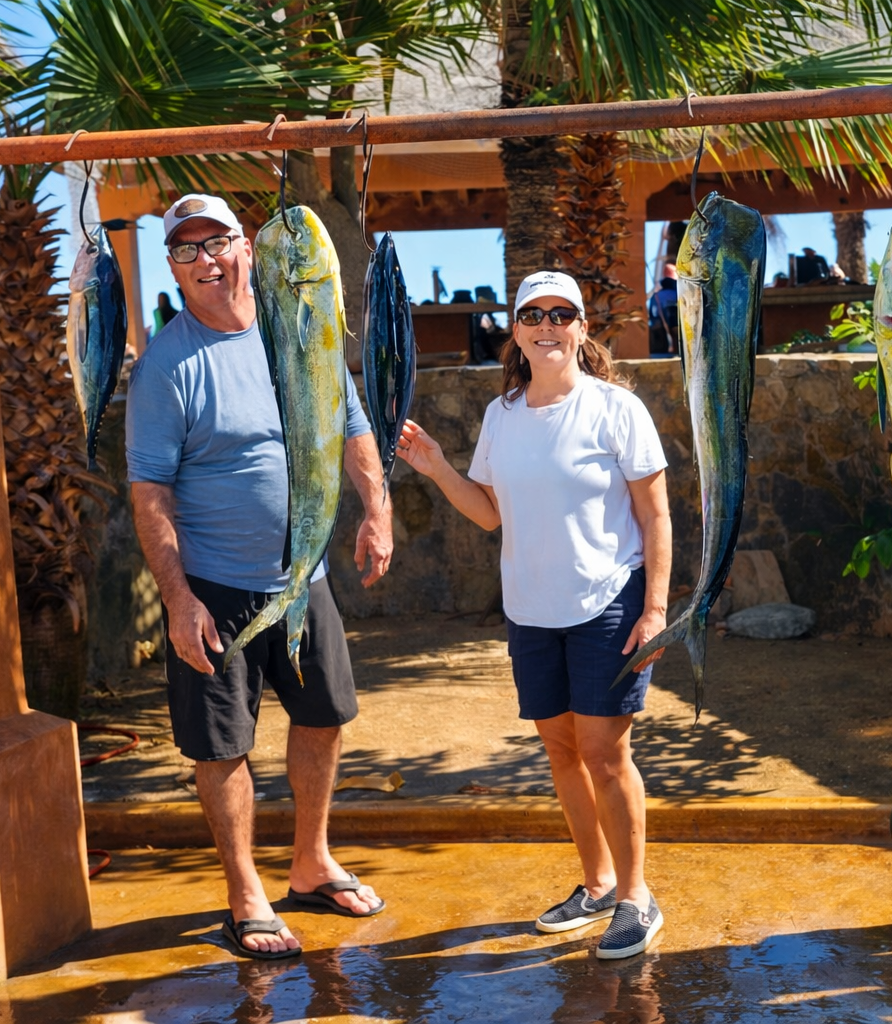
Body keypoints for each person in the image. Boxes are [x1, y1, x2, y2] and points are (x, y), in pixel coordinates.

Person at [126, 194, 396, 960]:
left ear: (247, 248)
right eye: (186, 250)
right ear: (173, 270)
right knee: (221, 748)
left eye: (216, 242)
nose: (206, 260)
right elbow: (150, 494)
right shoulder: (167, 367)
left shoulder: (296, 325)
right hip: (214, 588)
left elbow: (350, 420)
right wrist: (178, 600)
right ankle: (246, 893)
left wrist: (376, 509)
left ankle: (311, 864)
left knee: (324, 717)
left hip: (305, 579)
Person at [396, 270, 672, 960]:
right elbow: (490, 513)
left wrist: (656, 609)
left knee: (605, 754)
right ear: (515, 331)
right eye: (532, 315)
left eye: (561, 313)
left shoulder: (616, 408)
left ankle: (637, 897)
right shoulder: (502, 415)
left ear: (581, 327)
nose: (547, 325)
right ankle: (598, 884)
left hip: (608, 604)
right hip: (531, 613)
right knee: (563, 751)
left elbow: (655, 516)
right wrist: (436, 467)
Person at [647, 263, 679, 356]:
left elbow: (652, 311)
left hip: (665, 322)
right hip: (674, 321)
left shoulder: (657, 295)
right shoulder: (677, 293)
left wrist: (654, 320)